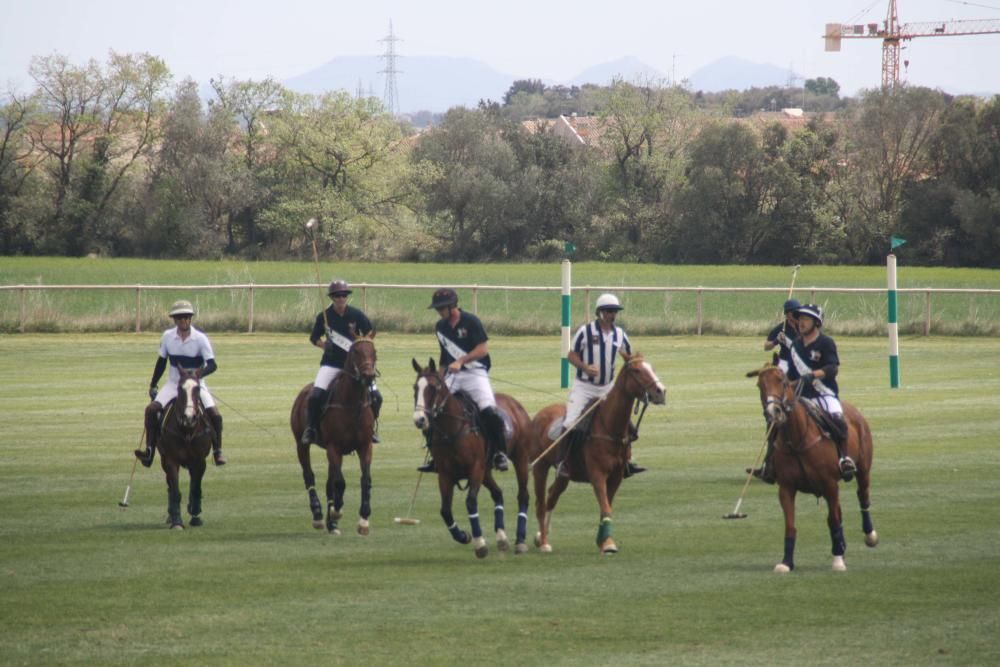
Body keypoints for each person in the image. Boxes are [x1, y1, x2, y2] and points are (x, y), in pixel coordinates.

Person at [417, 288, 509, 473]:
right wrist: (439, 380)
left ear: (452, 306)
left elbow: (483, 349)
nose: (439, 312)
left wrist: (461, 361)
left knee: (489, 411)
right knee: (431, 411)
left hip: (475, 374)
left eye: (442, 308)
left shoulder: (471, 321)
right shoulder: (440, 327)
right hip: (453, 376)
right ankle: (435, 456)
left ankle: (499, 453)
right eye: (437, 309)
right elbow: (444, 357)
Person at [557, 293, 645, 478]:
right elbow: (571, 355)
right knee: (570, 422)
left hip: (608, 387)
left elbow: (628, 358)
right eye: (609, 311)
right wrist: (585, 367)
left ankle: (625, 462)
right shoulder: (586, 332)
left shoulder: (620, 334)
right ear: (600, 313)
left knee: (625, 425)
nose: (613, 315)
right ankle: (564, 463)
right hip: (584, 386)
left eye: (614, 312)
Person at [135, 300, 225, 467]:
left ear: (190, 319)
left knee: (216, 416)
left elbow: (212, 364)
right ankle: (149, 451)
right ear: (175, 320)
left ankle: (217, 451)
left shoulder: (200, 339)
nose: (184, 320)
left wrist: (198, 375)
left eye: (186, 317)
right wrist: (153, 384)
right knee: (151, 410)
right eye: (180, 317)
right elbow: (161, 362)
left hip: (196, 385)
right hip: (173, 384)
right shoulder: (168, 337)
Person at [300, 279, 382, 446]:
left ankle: (370, 429)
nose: (341, 298)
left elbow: (369, 334)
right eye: (337, 296)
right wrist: (324, 345)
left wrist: (361, 347)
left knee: (376, 396)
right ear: (332, 298)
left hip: (356, 367)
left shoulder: (356, 315)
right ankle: (311, 429)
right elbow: (313, 338)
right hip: (331, 363)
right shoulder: (324, 316)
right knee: (315, 395)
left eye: (344, 295)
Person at [787, 303, 856, 481]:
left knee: (837, 418)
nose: (801, 322)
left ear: (816, 323)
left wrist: (813, 375)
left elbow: (833, 368)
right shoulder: (795, 345)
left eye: (806, 319)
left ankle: (844, 458)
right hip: (801, 395)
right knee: (779, 418)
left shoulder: (826, 343)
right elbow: (792, 374)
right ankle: (771, 462)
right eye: (800, 318)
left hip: (824, 394)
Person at [750, 298, 800, 481]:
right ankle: (768, 465)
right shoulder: (781, 328)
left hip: (801, 369)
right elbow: (766, 346)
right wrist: (776, 342)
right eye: (793, 312)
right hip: (785, 367)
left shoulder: (804, 328)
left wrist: (789, 342)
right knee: (773, 420)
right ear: (787, 314)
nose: (796, 315)